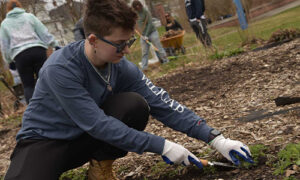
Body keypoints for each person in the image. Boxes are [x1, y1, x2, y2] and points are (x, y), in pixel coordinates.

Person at [4, 0, 253, 180]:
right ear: (92, 40)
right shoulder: (60, 69)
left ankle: (100, 167)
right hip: (47, 141)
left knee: (133, 105)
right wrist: (163, 146)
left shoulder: (120, 66)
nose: (127, 51)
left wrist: (216, 138)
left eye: (129, 42)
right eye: (120, 44)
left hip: (85, 138)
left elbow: (161, 102)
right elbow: (98, 124)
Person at [0, 0, 59, 104]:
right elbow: (43, 32)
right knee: (45, 81)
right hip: (38, 51)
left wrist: (9, 61)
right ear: (20, 6)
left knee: (28, 86)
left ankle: (35, 113)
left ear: (8, 10)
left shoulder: (5, 24)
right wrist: (55, 44)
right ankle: (55, 106)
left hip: (20, 56)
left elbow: (4, 45)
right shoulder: (29, 17)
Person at [131, 0, 169, 71]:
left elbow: (150, 24)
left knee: (158, 47)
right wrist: (143, 35)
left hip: (152, 32)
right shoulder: (136, 14)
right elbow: (137, 23)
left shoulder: (145, 11)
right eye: (136, 7)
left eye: (138, 6)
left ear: (140, 5)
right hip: (143, 35)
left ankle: (166, 61)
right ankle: (144, 67)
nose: (138, 8)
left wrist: (147, 34)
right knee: (144, 52)